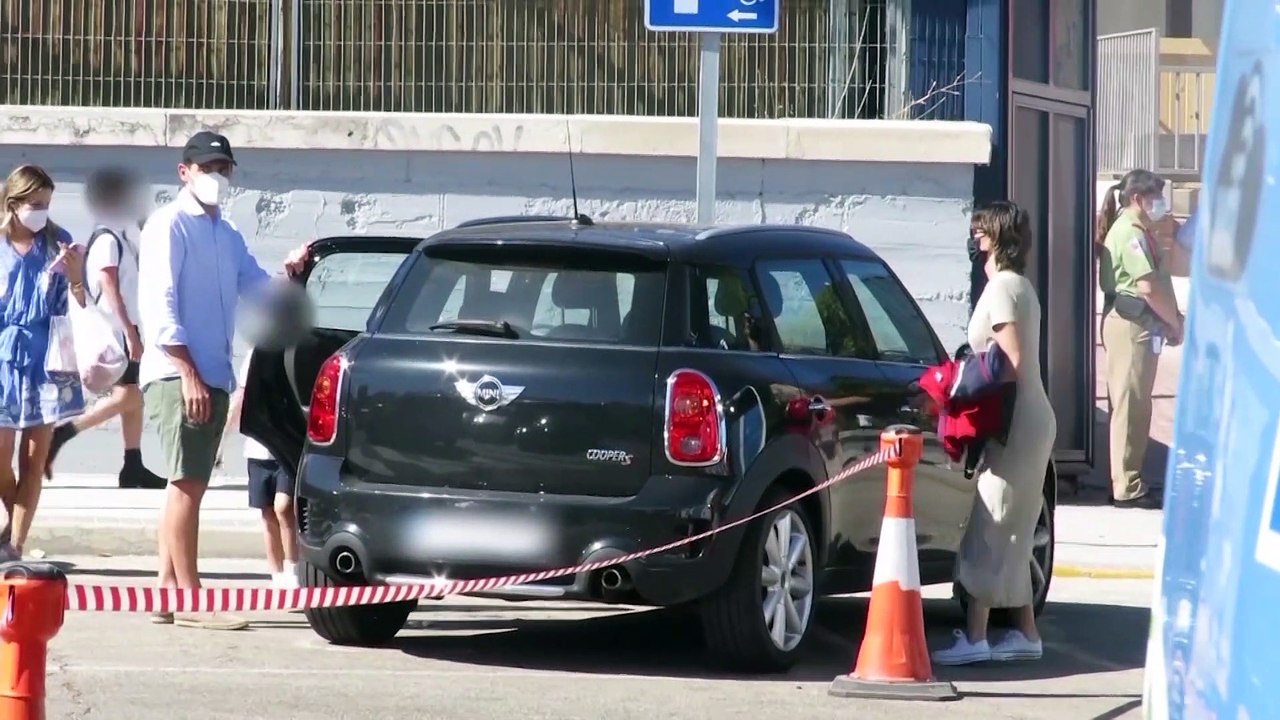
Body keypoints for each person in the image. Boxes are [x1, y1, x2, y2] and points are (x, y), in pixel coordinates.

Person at [138, 131, 309, 630]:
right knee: (188, 484)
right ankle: (191, 599)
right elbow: (159, 305)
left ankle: (166, 594)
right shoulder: (168, 226)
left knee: (185, 483)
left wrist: (292, 273)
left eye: (223, 168)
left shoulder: (225, 233)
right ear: (184, 171)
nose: (216, 176)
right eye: (206, 166)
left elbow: (257, 288)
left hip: (212, 372)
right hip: (179, 372)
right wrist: (187, 371)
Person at [931, 201, 1057, 666]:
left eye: (980, 230)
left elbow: (1010, 363)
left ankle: (977, 636)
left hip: (1016, 421)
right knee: (1015, 530)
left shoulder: (1003, 288)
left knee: (991, 522)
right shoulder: (1020, 286)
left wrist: (962, 389)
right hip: (1029, 416)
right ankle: (1025, 631)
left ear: (996, 237)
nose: (974, 237)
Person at [44, 166, 166, 488]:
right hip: (118, 331)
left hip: (127, 328)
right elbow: (108, 286)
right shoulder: (108, 240)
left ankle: (133, 463)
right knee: (133, 395)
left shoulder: (118, 238)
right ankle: (65, 432)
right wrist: (129, 331)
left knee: (132, 396)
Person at [0, 164, 88, 560]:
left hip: (46, 360)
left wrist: (75, 277)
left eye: (47, 204)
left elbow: (82, 306)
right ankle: (11, 522)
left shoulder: (59, 242)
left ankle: (15, 544)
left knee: (32, 460)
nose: (42, 212)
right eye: (35, 204)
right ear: (13, 204)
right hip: (3, 358)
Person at [1095, 169, 1184, 509]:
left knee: (1135, 404)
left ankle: (1129, 479)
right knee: (1130, 405)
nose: (1159, 204)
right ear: (1137, 198)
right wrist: (1173, 321)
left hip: (1139, 325)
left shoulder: (1139, 230)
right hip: (1131, 325)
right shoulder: (1129, 232)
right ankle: (1127, 486)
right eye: (1154, 198)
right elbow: (1146, 287)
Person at [223, 348, 298, 588]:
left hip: (285, 448)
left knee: (284, 507)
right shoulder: (254, 354)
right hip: (257, 451)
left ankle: (294, 570)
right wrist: (221, 442)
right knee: (267, 513)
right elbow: (241, 398)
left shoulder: (295, 353)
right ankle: (276, 575)